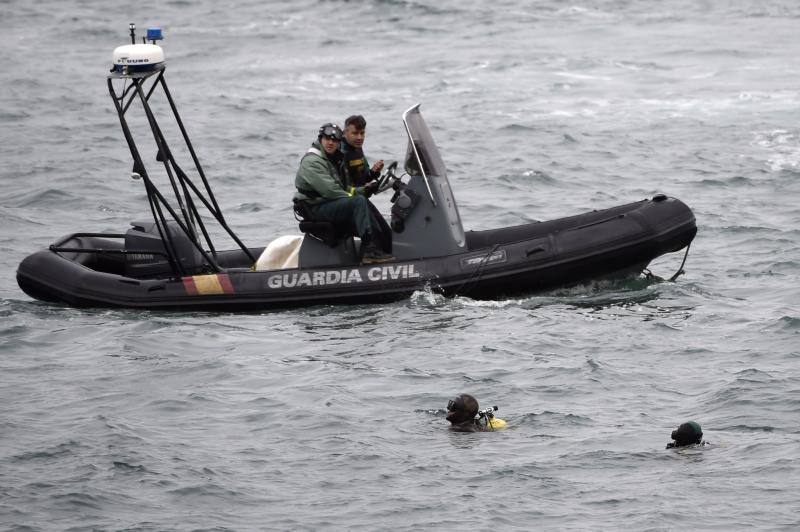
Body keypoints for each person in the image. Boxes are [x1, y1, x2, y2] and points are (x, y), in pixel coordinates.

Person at [293, 123, 393, 263]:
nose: (331, 143)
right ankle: (369, 251)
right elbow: (331, 192)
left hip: (327, 203)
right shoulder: (312, 162)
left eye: (335, 140)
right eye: (327, 138)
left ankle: (385, 242)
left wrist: (365, 190)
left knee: (363, 200)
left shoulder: (331, 159)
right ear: (321, 139)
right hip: (315, 208)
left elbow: (342, 188)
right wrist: (356, 196)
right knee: (358, 202)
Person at [340, 114, 384, 187]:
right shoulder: (339, 152)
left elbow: (365, 178)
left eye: (362, 133)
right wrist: (364, 190)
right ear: (344, 133)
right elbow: (341, 187)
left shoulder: (357, 147)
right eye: (355, 133)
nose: (359, 138)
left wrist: (374, 171)